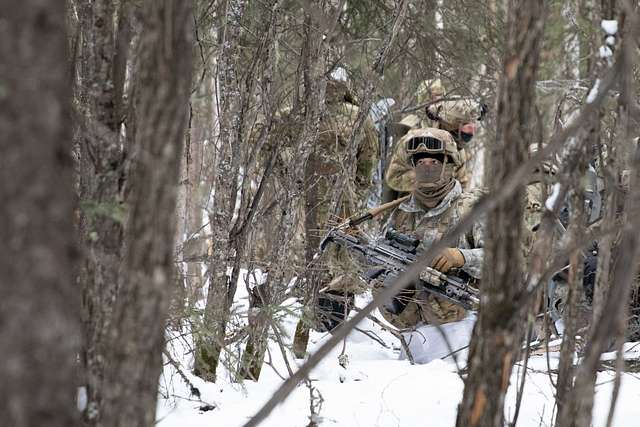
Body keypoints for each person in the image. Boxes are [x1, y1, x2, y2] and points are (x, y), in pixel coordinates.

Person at [373, 128, 485, 363]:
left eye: (434, 161)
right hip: (412, 338)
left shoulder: (471, 208)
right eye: (420, 161)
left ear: (450, 164)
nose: (427, 167)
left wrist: (461, 257)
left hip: (461, 337)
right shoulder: (401, 212)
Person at [385, 86, 486, 197]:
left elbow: (462, 184)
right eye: (463, 127)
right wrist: (430, 179)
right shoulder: (415, 140)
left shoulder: (457, 150)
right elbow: (394, 178)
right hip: (410, 205)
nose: (469, 132)